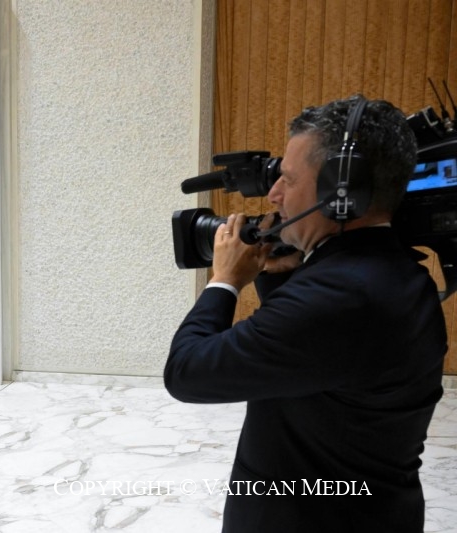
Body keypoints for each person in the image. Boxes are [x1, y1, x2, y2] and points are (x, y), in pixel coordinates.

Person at [164, 95, 447, 532]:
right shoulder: (400, 275)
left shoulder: (338, 298)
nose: (274, 194)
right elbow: (307, 365)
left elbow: (187, 372)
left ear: (342, 193)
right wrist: (275, 277)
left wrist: (224, 281)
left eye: (289, 180)